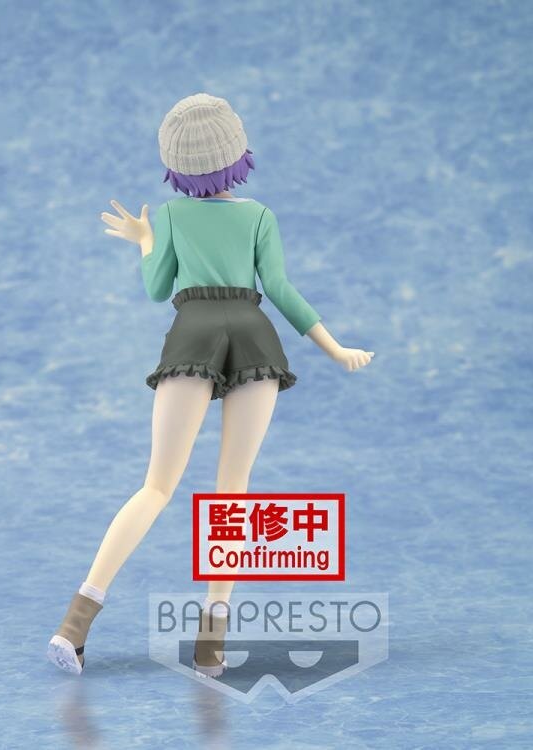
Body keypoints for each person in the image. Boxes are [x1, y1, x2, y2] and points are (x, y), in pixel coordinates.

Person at [48, 93, 374, 678]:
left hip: (193, 334)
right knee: (232, 495)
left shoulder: (171, 215)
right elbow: (281, 290)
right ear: (237, 152)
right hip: (253, 336)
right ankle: (211, 643)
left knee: (156, 486)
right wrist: (334, 346)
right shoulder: (259, 216)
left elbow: (157, 289)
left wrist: (146, 240)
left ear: (174, 164)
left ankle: (75, 624)